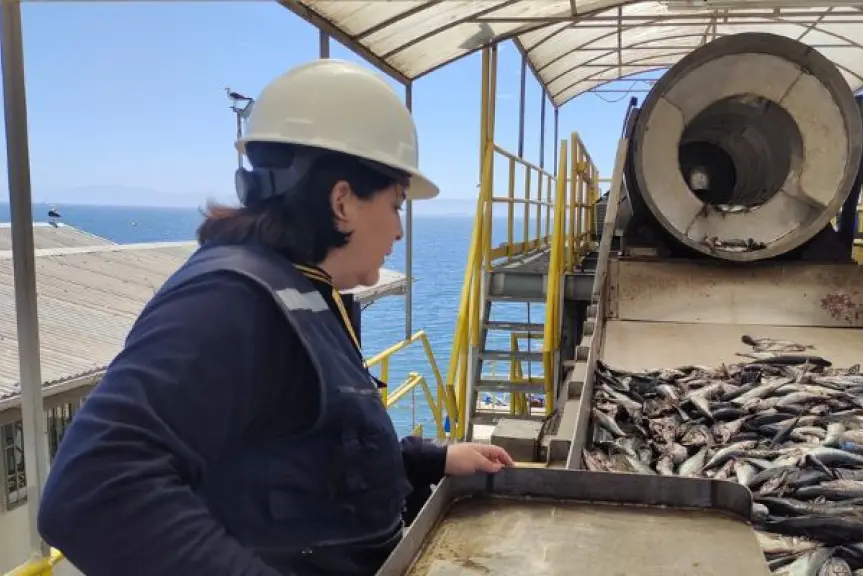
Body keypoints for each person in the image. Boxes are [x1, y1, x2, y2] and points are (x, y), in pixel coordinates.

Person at [37, 59, 514, 576]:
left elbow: (304, 461)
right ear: (342, 201)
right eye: (397, 204)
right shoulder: (229, 298)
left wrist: (431, 460)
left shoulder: (302, 290)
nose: (399, 231)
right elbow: (92, 491)